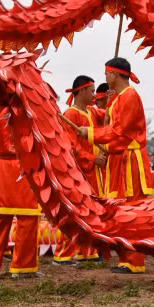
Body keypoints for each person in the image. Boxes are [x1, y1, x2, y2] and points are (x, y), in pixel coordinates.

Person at [75, 57, 153, 274]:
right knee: (121, 209)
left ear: (115, 74)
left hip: (130, 161)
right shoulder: (119, 98)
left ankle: (135, 261)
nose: (105, 77)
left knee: (132, 209)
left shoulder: (130, 96)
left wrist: (90, 134)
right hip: (119, 159)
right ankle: (126, 259)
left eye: (107, 73)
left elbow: (120, 132)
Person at [0, 107, 42, 279]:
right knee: (27, 219)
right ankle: (23, 266)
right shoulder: (29, 110)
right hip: (24, 167)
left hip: (2, 167)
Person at [54, 75, 107, 265]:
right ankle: (63, 254)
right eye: (92, 91)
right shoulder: (70, 114)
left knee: (91, 212)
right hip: (79, 172)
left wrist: (111, 97)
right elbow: (71, 147)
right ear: (82, 91)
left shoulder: (91, 112)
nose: (94, 95)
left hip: (93, 172)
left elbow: (108, 117)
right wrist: (93, 158)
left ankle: (89, 252)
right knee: (75, 212)